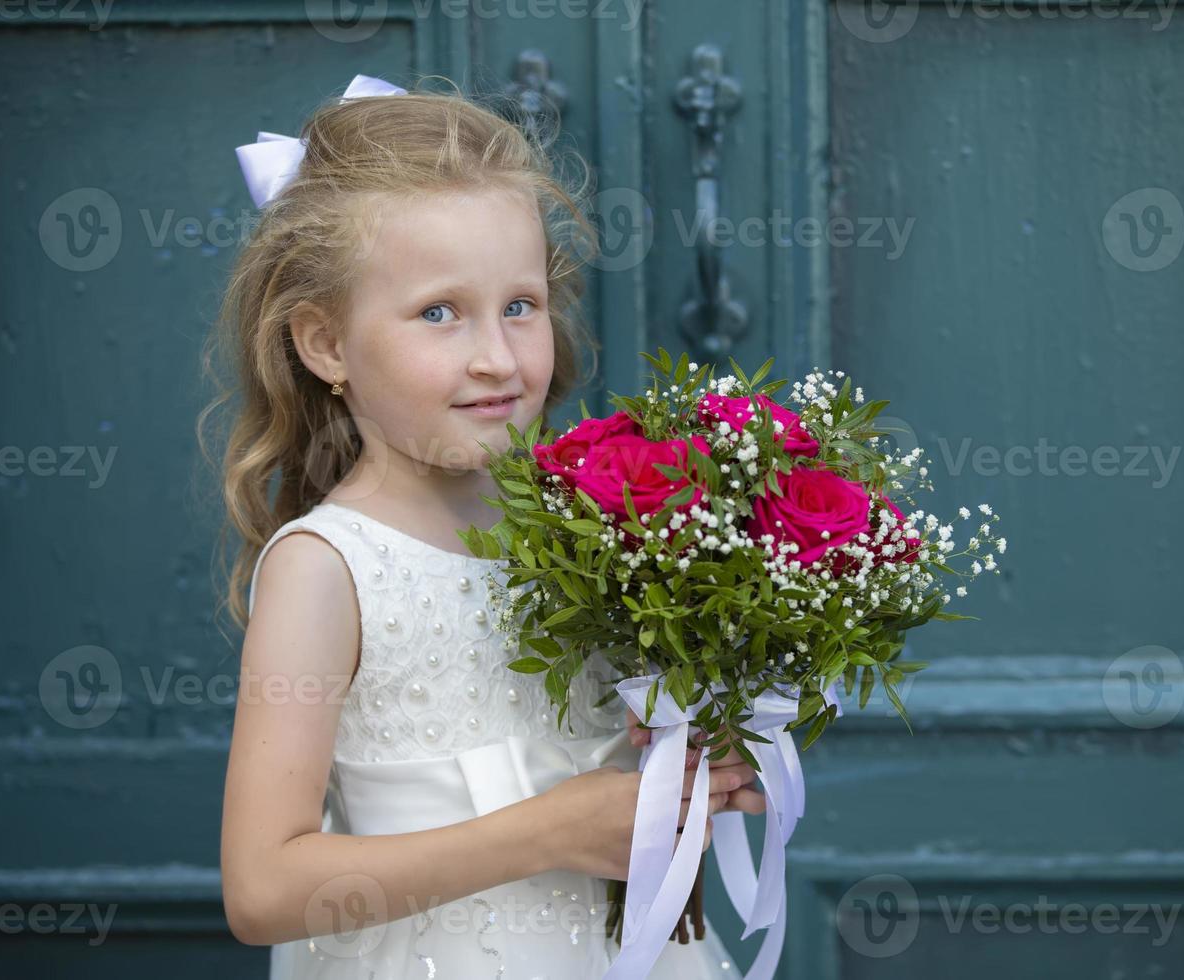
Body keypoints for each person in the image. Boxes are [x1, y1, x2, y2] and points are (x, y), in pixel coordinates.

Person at [202, 74, 764, 977]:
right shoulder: (328, 567)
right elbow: (263, 890)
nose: (498, 358)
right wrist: (551, 831)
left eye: (520, 305)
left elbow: (596, 746)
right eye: (438, 313)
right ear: (325, 344)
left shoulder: (581, 517)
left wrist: (683, 768)